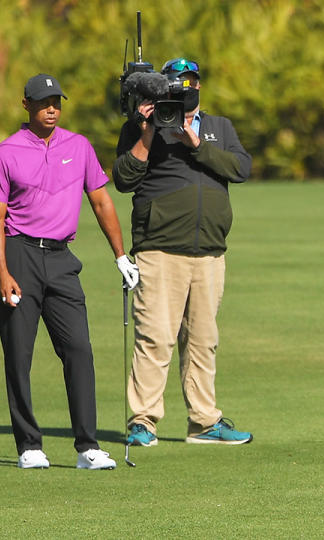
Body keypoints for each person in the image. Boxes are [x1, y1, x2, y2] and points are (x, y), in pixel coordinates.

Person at [0, 73, 140, 470]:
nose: (51, 109)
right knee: (19, 354)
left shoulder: (79, 146)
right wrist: (2, 270)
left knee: (79, 350)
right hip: (19, 256)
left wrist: (121, 256)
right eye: (43, 102)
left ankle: (88, 446)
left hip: (62, 259)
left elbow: (102, 202)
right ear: (26, 106)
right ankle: (29, 446)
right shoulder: (6, 153)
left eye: (56, 102)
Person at [113, 58, 253, 447]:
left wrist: (196, 146)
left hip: (209, 250)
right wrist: (147, 131)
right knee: (155, 338)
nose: (184, 88)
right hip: (159, 249)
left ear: (199, 87)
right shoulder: (142, 126)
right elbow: (123, 179)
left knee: (203, 340)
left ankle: (204, 422)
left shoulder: (219, 127)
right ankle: (143, 421)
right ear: (163, 88)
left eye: (191, 80)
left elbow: (241, 168)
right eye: (176, 82)